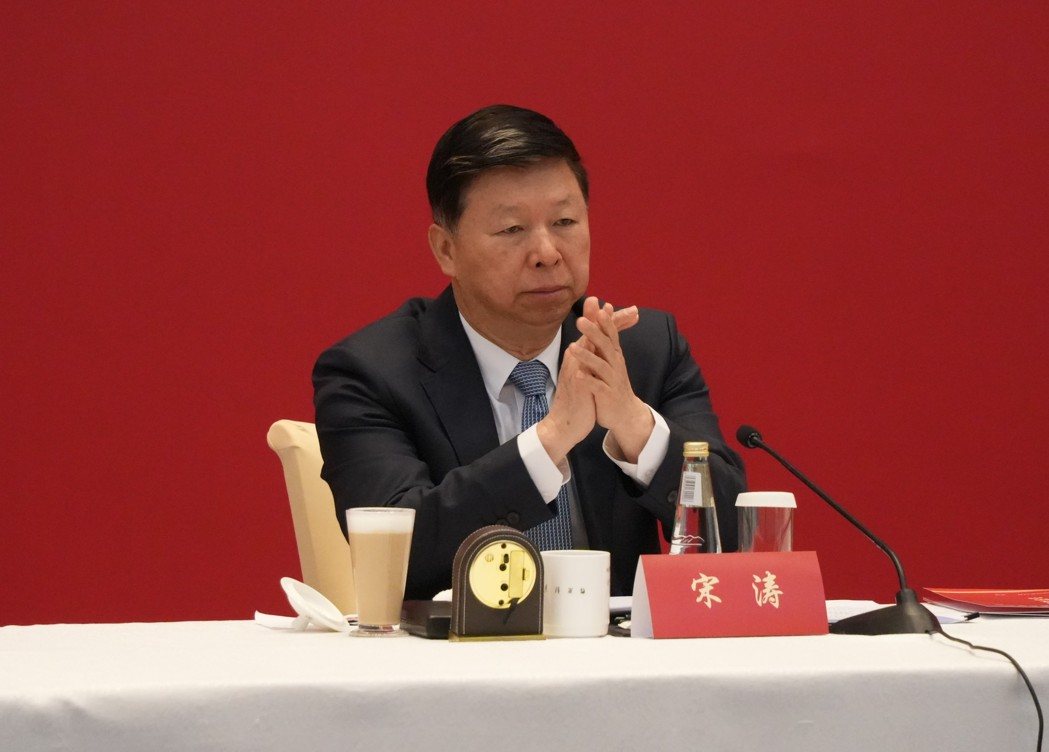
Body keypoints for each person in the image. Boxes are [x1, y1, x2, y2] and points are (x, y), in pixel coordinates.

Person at [313, 104, 745, 599]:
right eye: (512, 230)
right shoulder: (371, 373)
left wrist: (634, 424)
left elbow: (737, 534)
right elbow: (396, 558)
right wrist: (550, 439)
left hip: (614, 646)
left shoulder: (643, 350)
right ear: (446, 250)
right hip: (462, 647)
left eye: (564, 221)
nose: (547, 253)